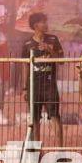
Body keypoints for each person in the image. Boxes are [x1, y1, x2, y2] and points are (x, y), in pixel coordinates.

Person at [21, 12, 64, 146]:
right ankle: (36, 151)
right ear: (35, 25)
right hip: (34, 86)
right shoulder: (27, 44)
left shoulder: (53, 39)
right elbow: (25, 67)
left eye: (46, 21)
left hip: (49, 86)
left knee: (55, 116)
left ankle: (60, 150)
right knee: (34, 120)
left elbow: (61, 61)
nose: (46, 24)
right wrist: (25, 88)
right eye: (43, 22)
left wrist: (49, 50)